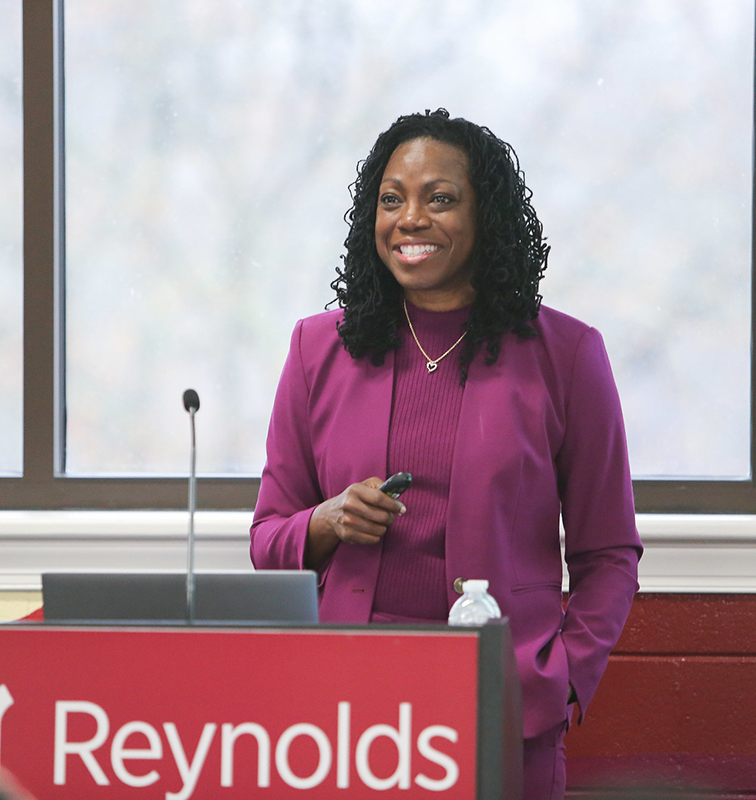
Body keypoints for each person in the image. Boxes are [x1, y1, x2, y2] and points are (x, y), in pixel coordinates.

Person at [250, 109, 642, 799]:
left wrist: (563, 676)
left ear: (484, 214)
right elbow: (267, 537)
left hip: (501, 697)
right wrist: (328, 520)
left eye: (440, 198)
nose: (411, 218)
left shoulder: (568, 356)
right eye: (392, 199)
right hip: (345, 702)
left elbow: (608, 554)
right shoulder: (318, 348)